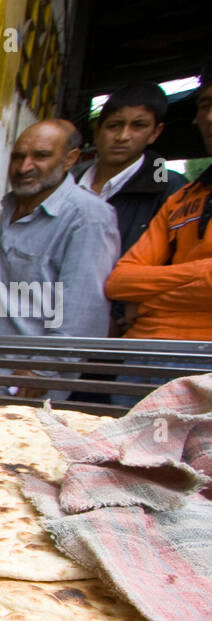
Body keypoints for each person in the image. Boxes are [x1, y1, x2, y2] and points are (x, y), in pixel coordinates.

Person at [0, 119, 119, 401]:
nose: (25, 167)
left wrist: (44, 368)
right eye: (19, 157)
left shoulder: (88, 216)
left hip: (26, 385)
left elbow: (85, 309)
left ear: (71, 158)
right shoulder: (5, 210)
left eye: (41, 156)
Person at [104, 72, 212, 404]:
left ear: (156, 132)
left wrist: (147, 299)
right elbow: (118, 282)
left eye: (138, 125)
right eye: (206, 104)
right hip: (140, 352)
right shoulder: (183, 198)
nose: (210, 116)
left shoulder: (168, 185)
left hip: (201, 361)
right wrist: (200, 272)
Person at [75, 82, 187, 257]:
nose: (122, 137)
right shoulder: (67, 181)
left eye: (138, 126)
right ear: (97, 132)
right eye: (114, 125)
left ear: (155, 133)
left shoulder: (171, 189)